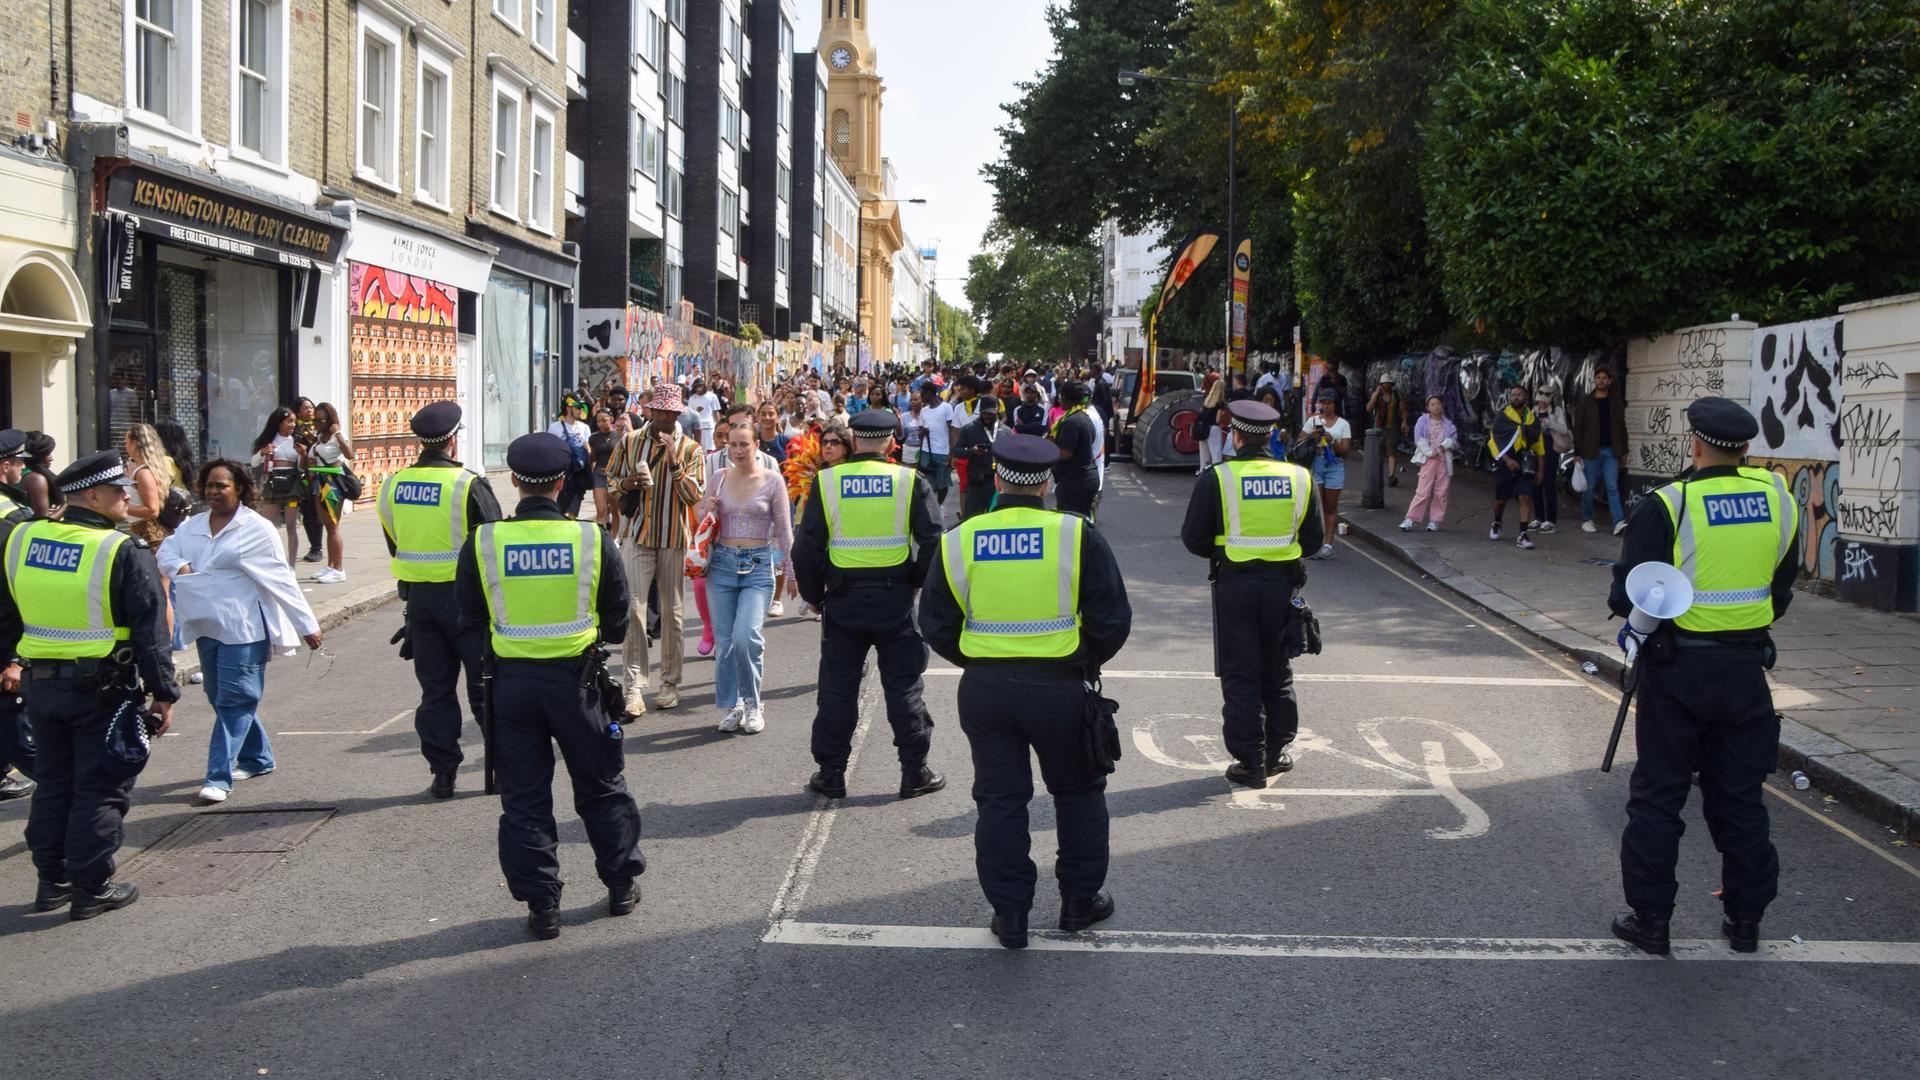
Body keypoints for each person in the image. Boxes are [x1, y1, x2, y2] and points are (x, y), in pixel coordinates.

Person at [918, 434, 1133, 949]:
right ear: (1048, 483)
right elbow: (1112, 620)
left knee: (1000, 801)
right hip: (1060, 687)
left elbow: (936, 623)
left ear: (997, 479)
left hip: (987, 690)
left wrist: (981, 659)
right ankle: (1080, 902)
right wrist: (1082, 659)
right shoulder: (1077, 536)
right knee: (1079, 793)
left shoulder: (960, 538)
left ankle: (1011, 914)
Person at [1607, 397, 1802, 957]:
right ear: (1746, 448)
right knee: (1740, 799)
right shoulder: (1779, 499)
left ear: (1694, 444)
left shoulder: (1671, 503)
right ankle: (1745, 922)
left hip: (1677, 670)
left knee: (1658, 795)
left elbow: (1626, 594)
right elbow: (1780, 587)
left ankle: (1652, 921)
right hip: (1745, 672)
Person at [456, 433, 642, 941]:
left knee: (524, 800)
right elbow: (618, 617)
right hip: (577, 684)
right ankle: (621, 885)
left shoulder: (484, 541)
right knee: (602, 787)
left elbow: (470, 619)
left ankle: (543, 906)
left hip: (511, 687)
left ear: (515, 482)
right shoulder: (591, 538)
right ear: (563, 483)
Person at [0, 451, 180, 921]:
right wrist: (164, 693)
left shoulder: (24, 537)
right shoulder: (120, 550)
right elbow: (150, 631)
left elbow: (7, 610)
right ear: (94, 497)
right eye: (119, 490)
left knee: (54, 784)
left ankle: (51, 882)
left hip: (40, 688)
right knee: (99, 789)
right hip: (101, 690)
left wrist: (7, 663)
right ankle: (91, 886)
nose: (128, 496)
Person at [792, 409, 946, 801]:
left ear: (855, 441)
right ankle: (915, 772)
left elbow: (806, 548)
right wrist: (914, 582)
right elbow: (932, 540)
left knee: (838, 689)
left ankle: (831, 774)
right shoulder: (910, 480)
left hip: (843, 601)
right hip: (894, 599)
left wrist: (813, 595)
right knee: (904, 686)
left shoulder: (827, 482)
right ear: (892, 442)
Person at [158, 461, 323, 804]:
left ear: (240, 489)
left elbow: (282, 579)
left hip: (245, 628)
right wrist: (181, 566)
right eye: (210, 485)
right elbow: (166, 550)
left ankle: (218, 776)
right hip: (207, 626)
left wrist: (307, 625)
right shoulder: (193, 526)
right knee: (220, 697)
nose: (214, 492)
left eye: (222, 485)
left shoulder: (257, 529)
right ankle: (257, 757)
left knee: (236, 700)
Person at [1181, 401, 1323, 787]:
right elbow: (1312, 541)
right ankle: (1277, 753)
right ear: (1272, 435)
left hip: (1235, 585)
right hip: (1283, 588)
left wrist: (1227, 547)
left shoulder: (1217, 478)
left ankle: (1250, 760)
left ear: (1235, 435)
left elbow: (1194, 540)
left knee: (1240, 673)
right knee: (1277, 673)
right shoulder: (1300, 477)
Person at [377, 401, 504, 799]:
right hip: (467, 603)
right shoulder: (468, 483)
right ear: (452, 440)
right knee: (484, 689)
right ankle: (501, 767)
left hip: (421, 604)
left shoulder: (393, 485)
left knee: (435, 692)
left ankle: (443, 773)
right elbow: (492, 542)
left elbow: (395, 542)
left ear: (421, 441)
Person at [609, 384, 704, 715]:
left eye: (671, 412)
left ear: (678, 414)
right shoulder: (630, 442)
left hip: (674, 536)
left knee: (673, 612)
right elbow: (611, 479)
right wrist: (627, 484)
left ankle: (670, 682)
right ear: (650, 411)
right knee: (634, 607)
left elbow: (694, 496)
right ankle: (633, 686)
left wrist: (676, 463)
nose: (665, 417)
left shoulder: (691, 450)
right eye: (659, 410)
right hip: (637, 533)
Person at [698, 423, 797, 734]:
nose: (738, 450)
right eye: (733, 445)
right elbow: (702, 519)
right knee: (725, 643)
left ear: (757, 446)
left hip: (757, 567)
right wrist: (708, 508)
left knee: (746, 638)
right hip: (722, 566)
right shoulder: (718, 478)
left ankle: (754, 703)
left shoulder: (773, 481)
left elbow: (783, 530)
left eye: (744, 444)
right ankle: (733, 705)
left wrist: (793, 572)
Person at [1489, 385, 1546, 551]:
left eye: (1519, 394)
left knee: (1525, 496)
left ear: (1526, 398)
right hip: (1505, 460)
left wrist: (1541, 470)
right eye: (1513, 394)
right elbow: (1494, 441)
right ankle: (1497, 522)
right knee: (1501, 499)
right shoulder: (1502, 417)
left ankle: (1523, 534)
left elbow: (1539, 446)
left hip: (1525, 461)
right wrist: (1507, 460)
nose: (1515, 397)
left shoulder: (1532, 420)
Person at [1576, 368, 1631, 535]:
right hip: (1590, 451)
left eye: (1604, 378)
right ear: (1594, 380)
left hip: (1611, 451)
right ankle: (1587, 519)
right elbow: (1579, 428)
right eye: (1598, 377)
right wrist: (1577, 453)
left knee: (1612, 486)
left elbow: (1622, 427)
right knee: (1589, 487)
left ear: (1609, 381)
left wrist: (1624, 451)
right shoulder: (1586, 402)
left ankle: (1618, 522)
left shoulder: (1615, 402)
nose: (1601, 380)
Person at [305, 403, 355, 583]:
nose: (317, 422)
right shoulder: (320, 436)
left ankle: (339, 569)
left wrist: (338, 433)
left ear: (330, 420)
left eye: (320, 419)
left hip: (333, 483)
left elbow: (349, 455)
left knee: (333, 525)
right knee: (327, 525)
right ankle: (331, 565)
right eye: (315, 419)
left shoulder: (336, 436)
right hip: (319, 482)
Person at [1300, 390, 1351, 558]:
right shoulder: (1312, 421)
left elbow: (1345, 451)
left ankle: (1328, 545)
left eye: (1330, 403)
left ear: (1335, 405)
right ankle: (1317, 542)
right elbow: (1299, 441)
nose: (1326, 406)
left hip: (1335, 466)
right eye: (1324, 403)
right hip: (1317, 463)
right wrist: (1311, 437)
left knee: (1331, 507)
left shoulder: (1343, 424)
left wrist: (1332, 441)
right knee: (1317, 506)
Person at [250, 407, 304, 563]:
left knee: (291, 526)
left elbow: (301, 467)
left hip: (292, 485)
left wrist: (303, 455)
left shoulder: (297, 440)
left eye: (294, 422)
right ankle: (267, 559)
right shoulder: (269, 440)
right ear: (279, 422)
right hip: (272, 484)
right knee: (268, 525)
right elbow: (254, 462)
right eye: (289, 421)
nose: (293, 425)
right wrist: (262, 452)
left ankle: (291, 565)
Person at [1401, 396, 1458, 532]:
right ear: (1428, 408)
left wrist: (1444, 445)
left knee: (1441, 492)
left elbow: (1454, 440)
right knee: (1422, 491)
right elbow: (1419, 439)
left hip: (1443, 461)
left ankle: (1435, 520)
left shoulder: (1448, 424)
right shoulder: (1422, 421)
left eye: (1438, 404)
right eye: (1432, 404)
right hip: (1428, 460)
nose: (1436, 407)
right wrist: (1429, 451)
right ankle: (1410, 519)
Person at [123, 422, 182, 547]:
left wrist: (121, 507)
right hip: (142, 531)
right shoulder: (140, 471)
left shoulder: (144, 473)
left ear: (134, 444)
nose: (125, 446)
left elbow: (152, 510)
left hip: (148, 535)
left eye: (126, 442)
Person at [1049, 380, 1101, 519]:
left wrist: (1047, 449)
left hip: (1076, 482)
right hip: (1083, 479)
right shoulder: (1083, 417)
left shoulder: (1071, 422)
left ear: (1065, 398)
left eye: (1061, 396)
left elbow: (1065, 453)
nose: (1059, 399)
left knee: (1072, 523)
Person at [954, 395, 1005, 521]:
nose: (986, 417)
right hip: (976, 483)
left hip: (999, 484)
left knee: (996, 522)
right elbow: (956, 451)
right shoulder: (969, 429)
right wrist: (971, 451)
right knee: (972, 520)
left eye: (990, 414)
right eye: (984, 413)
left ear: (997, 411)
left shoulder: (1005, 431)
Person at [548, 399, 595, 519]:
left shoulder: (584, 427)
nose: (581, 410)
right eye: (578, 407)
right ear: (569, 408)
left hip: (579, 471)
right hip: (562, 472)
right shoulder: (555, 427)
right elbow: (551, 449)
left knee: (575, 503)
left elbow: (588, 447)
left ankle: (572, 526)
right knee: (560, 504)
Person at [292, 397, 325, 563]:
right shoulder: (294, 429)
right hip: (302, 476)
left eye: (311, 407)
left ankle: (317, 547)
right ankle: (314, 546)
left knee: (316, 511)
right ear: (298, 411)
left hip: (318, 474)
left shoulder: (321, 428)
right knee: (307, 512)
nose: (309, 410)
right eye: (305, 408)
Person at [1535, 386, 1571, 534]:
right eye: (1540, 397)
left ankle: (1550, 520)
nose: (1542, 401)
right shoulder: (1534, 410)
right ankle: (1539, 517)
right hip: (1536, 449)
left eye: (1546, 397)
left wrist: (1550, 423)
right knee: (1536, 483)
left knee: (1549, 484)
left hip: (1551, 449)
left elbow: (1563, 429)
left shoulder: (1556, 411)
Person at [918, 385, 955, 512]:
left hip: (943, 452)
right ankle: (931, 506)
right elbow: (919, 433)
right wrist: (923, 432)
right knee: (927, 483)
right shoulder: (924, 411)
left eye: (923, 394)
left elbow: (951, 431)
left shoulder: (946, 408)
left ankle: (939, 506)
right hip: (926, 452)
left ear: (930, 393)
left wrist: (951, 452)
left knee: (942, 483)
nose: (921, 397)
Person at [20, 431, 61, 517]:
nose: (51, 458)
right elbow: (42, 520)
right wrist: (67, 505)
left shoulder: (22, 474)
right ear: (37, 456)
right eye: (47, 454)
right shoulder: (35, 479)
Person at [589, 409, 618, 530]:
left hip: (614, 476)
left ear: (611, 419)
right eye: (598, 421)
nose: (600, 424)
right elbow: (593, 458)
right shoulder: (593, 438)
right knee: (601, 510)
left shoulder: (618, 435)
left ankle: (615, 539)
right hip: (599, 475)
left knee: (616, 511)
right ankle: (601, 538)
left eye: (604, 420)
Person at [1195, 375, 1226, 474]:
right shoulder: (1220, 403)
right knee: (1215, 453)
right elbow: (1217, 420)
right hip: (1213, 429)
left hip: (1202, 428)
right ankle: (1218, 473)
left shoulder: (1207, 400)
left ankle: (1202, 471)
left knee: (1204, 455)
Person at [686, 378, 722, 451]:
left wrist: (719, 425)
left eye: (700, 386)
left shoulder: (712, 396)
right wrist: (696, 411)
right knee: (698, 449)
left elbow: (716, 412)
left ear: (704, 386)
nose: (698, 388)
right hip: (697, 428)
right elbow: (690, 414)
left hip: (710, 427)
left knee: (710, 449)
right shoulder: (692, 398)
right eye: (696, 386)